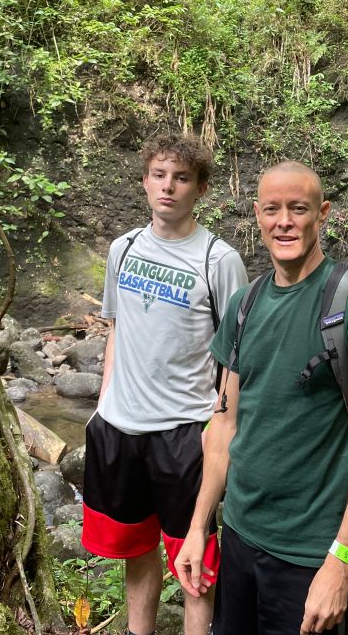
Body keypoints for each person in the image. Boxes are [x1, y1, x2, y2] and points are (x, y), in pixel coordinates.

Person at [174, 161, 348, 635]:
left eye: (298, 209)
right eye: (272, 209)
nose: (284, 222)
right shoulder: (244, 305)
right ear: (257, 215)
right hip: (240, 536)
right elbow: (223, 425)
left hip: (310, 553)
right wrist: (199, 527)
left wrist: (341, 562)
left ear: (322, 214)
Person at [82, 134, 248, 635]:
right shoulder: (124, 248)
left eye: (181, 178)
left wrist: (220, 427)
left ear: (200, 189)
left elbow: (237, 357)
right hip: (120, 427)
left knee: (196, 566)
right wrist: (102, 403)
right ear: (145, 181)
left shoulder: (219, 261)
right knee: (136, 551)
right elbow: (116, 327)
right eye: (159, 175)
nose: (168, 187)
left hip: (184, 432)